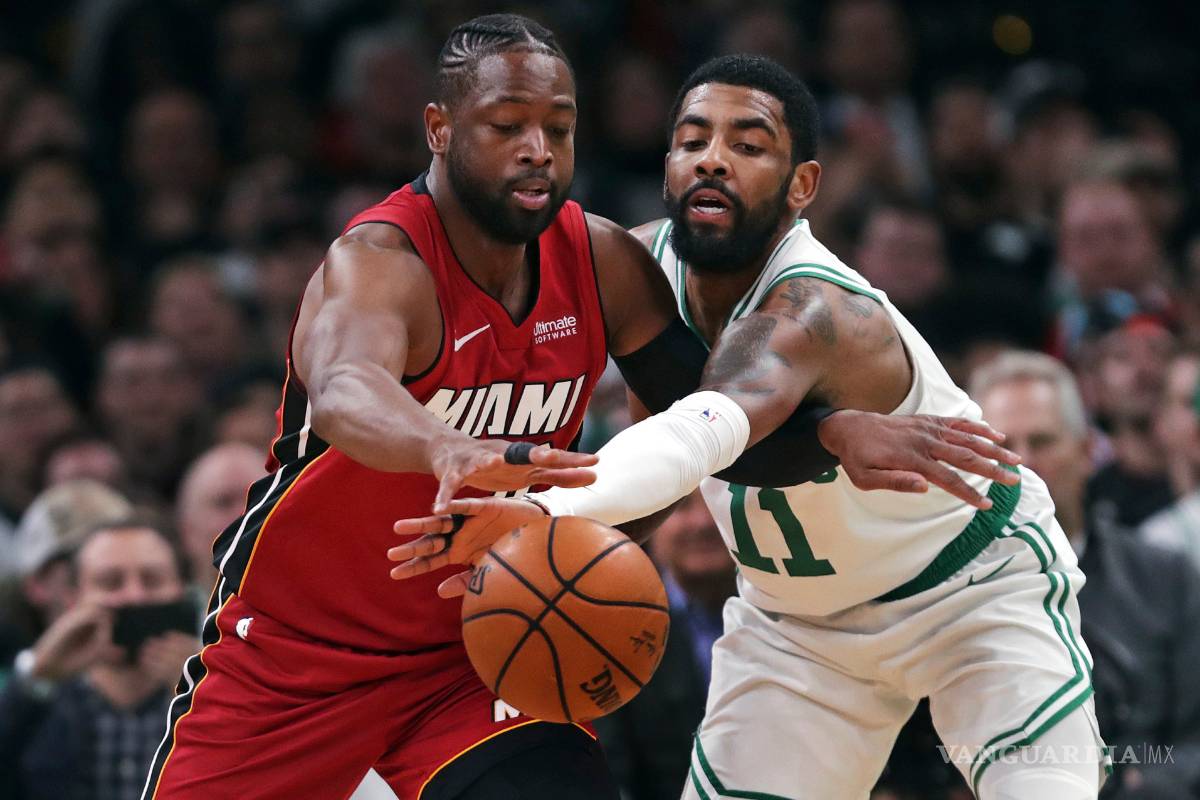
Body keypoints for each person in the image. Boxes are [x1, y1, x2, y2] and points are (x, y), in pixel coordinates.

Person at [142, 17, 1015, 800]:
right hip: (297, 655)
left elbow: (702, 424)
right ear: (440, 130)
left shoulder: (601, 262)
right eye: (507, 127)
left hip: (481, 641)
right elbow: (343, 390)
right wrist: (444, 447)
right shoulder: (379, 260)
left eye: (557, 128)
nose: (538, 151)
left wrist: (829, 433)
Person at [393, 55, 1105, 800]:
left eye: (749, 145)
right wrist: (535, 567)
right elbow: (660, 466)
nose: (713, 159)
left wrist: (547, 510)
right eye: (692, 139)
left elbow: (701, 431)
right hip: (797, 627)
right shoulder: (638, 269)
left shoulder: (817, 309)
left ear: (802, 185)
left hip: (970, 591)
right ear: (667, 167)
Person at [975, 351, 1200, 798]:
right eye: (1002, 446)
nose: (1022, 462)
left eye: (1041, 441)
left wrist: (1144, 785)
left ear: (1085, 453)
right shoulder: (939, 591)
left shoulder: (1165, 577)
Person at [0, 518, 199, 800]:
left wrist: (203, 696)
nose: (134, 596)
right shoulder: (38, 705)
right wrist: (36, 674)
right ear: (73, 599)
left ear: (183, 592)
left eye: (152, 581)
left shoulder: (213, 695)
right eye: (110, 582)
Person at [593, 491, 735, 800]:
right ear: (647, 521)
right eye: (682, 506)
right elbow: (612, 776)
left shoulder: (797, 615)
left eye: (715, 502)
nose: (702, 522)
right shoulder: (610, 635)